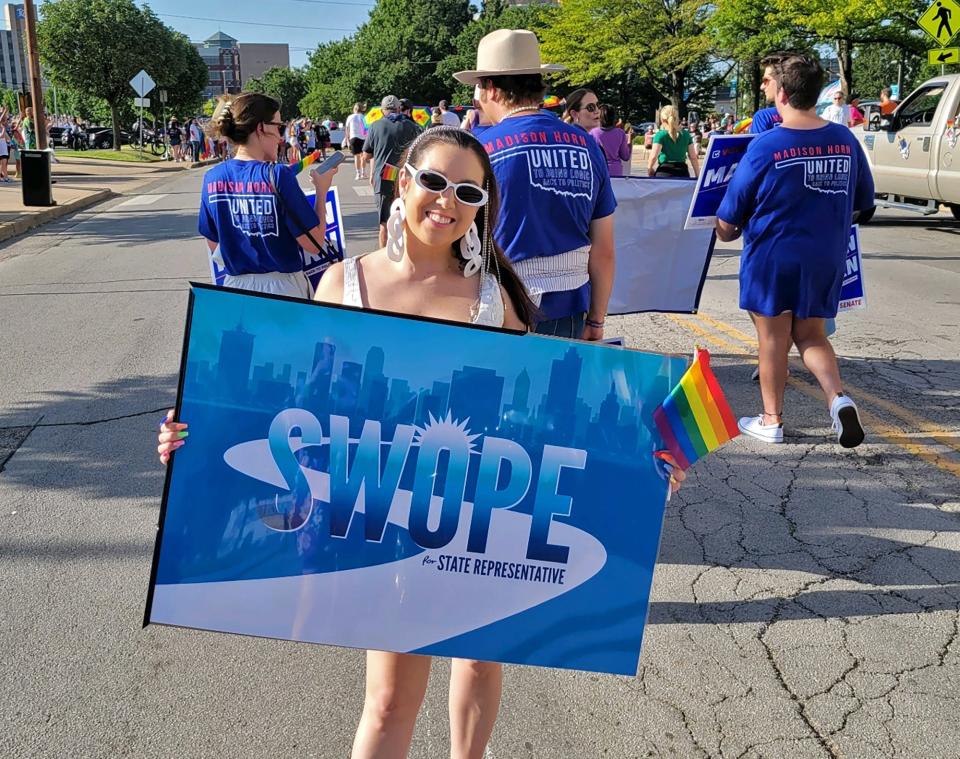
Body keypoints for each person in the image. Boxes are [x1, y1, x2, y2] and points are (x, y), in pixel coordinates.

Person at [157, 125, 687, 758]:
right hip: (379, 514)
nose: (448, 201)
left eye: (469, 190)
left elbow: (547, 415)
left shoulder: (497, 295)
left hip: (476, 513)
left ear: (484, 203)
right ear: (403, 182)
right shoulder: (344, 284)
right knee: (386, 704)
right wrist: (197, 434)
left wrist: (641, 462)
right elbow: (295, 404)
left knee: (478, 662)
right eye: (435, 181)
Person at [715, 53, 874, 448]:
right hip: (826, 256)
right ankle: (839, 399)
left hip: (774, 256)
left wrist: (722, 228)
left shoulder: (766, 144)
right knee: (813, 336)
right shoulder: (845, 139)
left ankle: (772, 419)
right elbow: (864, 202)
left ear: (782, 92)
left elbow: (730, 216)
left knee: (772, 338)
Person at [456, 28, 616, 340]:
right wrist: (596, 320)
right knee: (556, 388)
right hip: (568, 308)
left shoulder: (478, 150)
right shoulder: (586, 145)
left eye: (477, 87)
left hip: (497, 307)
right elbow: (604, 249)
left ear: (490, 88)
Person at [197, 92, 336, 298]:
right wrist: (322, 191)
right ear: (261, 127)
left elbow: (214, 243)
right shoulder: (278, 175)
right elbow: (314, 243)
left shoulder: (212, 177)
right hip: (283, 290)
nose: (281, 137)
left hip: (235, 289)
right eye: (278, 127)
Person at [363, 94, 422, 248]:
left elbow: (366, 155)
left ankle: (385, 258)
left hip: (382, 178)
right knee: (405, 219)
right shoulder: (412, 126)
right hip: (405, 179)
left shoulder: (375, 126)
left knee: (384, 222)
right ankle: (404, 256)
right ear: (398, 109)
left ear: (382, 111)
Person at [647, 105, 699, 178]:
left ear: (662, 119)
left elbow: (653, 156)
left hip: (664, 172)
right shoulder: (686, 135)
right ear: (677, 118)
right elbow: (693, 157)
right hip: (682, 172)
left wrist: (650, 169)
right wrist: (698, 175)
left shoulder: (660, 135)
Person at [589, 104, 632, 177]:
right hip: (616, 171)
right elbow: (625, 156)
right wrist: (630, 140)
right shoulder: (620, 133)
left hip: (598, 170)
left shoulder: (592, 133)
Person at [344, 102, 368, 179]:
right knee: (363, 156)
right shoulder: (364, 117)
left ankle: (358, 174)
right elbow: (366, 129)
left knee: (356, 156)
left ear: (354, 109)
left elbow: (347, 129)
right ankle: (363, 172)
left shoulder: (350, 117)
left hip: (353, 137)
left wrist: (347, 140)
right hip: (363, 138)